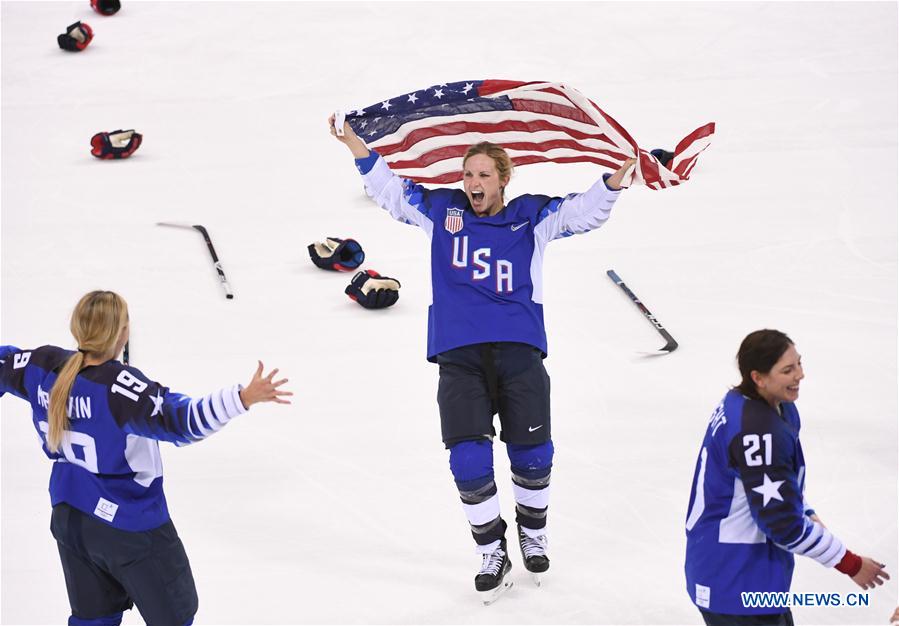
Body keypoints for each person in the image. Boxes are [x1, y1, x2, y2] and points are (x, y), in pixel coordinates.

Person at [330, 114, 636, 602]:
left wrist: (616, 180)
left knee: (533, 456)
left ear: (503, 180)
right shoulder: (441, 211)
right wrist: (354, 144)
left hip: (519, 351)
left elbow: (582, 212)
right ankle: (491, 549)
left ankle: (533, 532)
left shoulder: (530, 218)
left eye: (483, 175)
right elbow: (390, 192)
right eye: (468, 174)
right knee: (468, 458)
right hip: (458, 353)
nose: (473, 182)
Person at [0, 290, 292, 626]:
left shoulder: (42, 365)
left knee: (93, 621)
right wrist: (242, 398)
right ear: (122, 333)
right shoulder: (120, 390)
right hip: (131, 529)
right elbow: (182, 422)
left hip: (71, 520)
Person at [684, 329, 889, 625]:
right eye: (787, 370)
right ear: (758, 377)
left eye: (799, 364)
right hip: (734, 583)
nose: (800, 375)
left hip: (745, 576)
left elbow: (773, 483)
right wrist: (851, 564)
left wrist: (805, 510)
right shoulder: (758, 432)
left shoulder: (765, 406)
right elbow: (783, 525)